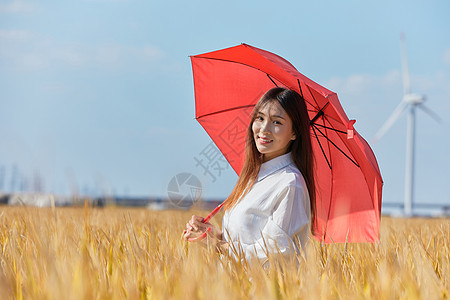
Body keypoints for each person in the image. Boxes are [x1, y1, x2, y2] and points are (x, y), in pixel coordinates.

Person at [183, 87, 316, 263]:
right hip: (234, 288)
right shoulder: (253, 176)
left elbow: (275, 252)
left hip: (262, 290)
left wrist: (216, 246)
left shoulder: (290, 183)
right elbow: (248, 240)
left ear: (294, 133)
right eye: (260, 118)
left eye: (277, 122)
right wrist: (214, 235)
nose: (264, 129)